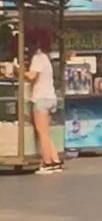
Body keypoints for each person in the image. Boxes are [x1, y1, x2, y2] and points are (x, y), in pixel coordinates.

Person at [25, 34, 62, 174]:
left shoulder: (37, 58)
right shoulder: (47, 59)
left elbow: (32, 76)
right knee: (46, 133)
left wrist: (19, 71)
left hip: (41, 98)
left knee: (42, 132)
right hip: (50, 97)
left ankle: (47, 163)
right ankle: (55, 160)